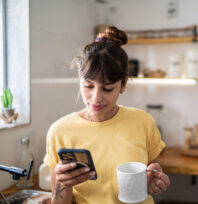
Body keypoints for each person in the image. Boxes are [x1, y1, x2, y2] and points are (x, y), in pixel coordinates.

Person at [43, 26, 170, 204]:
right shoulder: (60, 131)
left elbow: (153, 169)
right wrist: (64, 184)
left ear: (123, 84)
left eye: (108, 88)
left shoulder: (143, 122)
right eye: (88, 86)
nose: (96, 98)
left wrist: (155, 177)